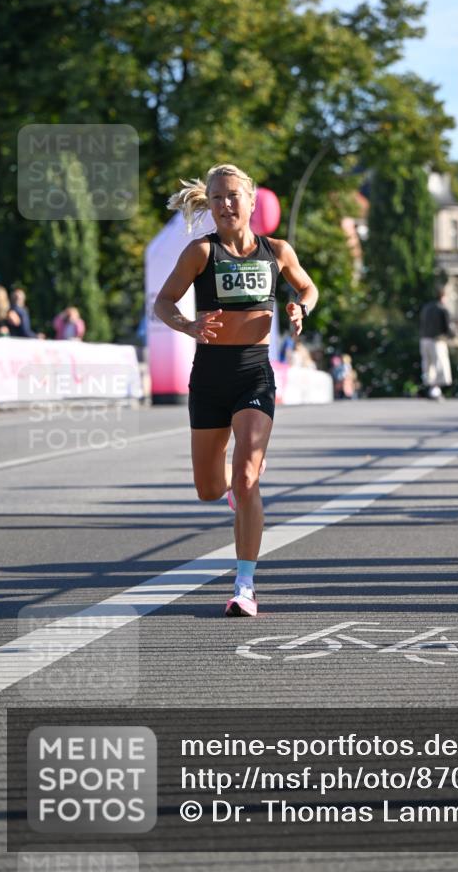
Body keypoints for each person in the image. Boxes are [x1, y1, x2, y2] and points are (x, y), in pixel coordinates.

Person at [154, 163, 318, 618]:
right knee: (210, 489)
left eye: (233, 196)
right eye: (217, 198)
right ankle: (233, 487)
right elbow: (163, 302)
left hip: (254, 375)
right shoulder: (200, 252)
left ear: (251, 200)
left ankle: (244, 586)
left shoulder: (276, 250)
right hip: (209, 377)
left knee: (247, 477)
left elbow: (308, 287)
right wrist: (187, 325)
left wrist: (300, 307)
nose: (225, 204)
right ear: (209, 204)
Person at [419, 289, 452, 399]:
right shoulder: (442, 309)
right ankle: (435, 389)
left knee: (427, 365)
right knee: (439, 364)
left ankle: (429, 387)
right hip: (437, 340)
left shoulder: (426, 307)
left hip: (424, 339)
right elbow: (447, 327)